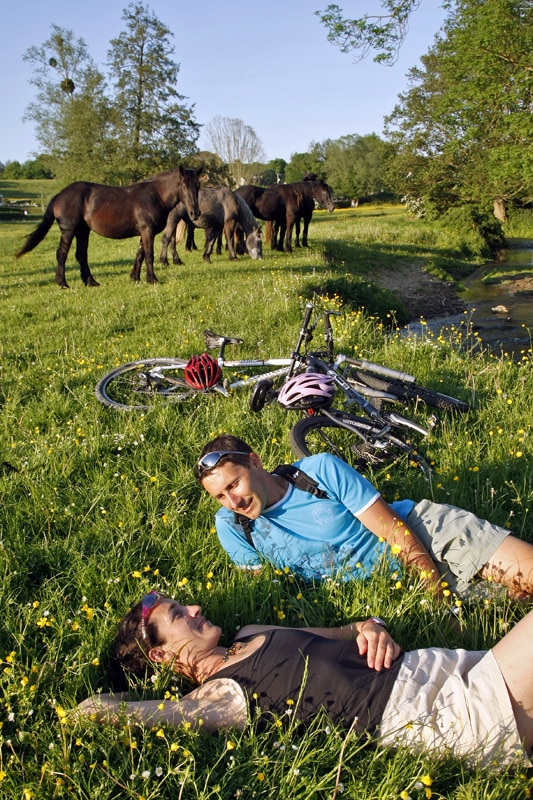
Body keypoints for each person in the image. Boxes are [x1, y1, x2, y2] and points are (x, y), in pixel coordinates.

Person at [78, 591, 533, 769]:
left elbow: (352, 629)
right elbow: (103, 711)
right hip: (444, 710)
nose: (194, 609)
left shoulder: (252, 631)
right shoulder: (221, 694)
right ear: (160, 654)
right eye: (179, 615)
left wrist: (372, 627)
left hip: (451, 665)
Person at [195, 434, 533, 599]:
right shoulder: (233, 526)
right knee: (512, 604)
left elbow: (396, 532)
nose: (233, 501)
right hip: (391, 588)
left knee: (527, 576)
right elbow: (269, 596)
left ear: (255, 462)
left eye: (234, 484)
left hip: (425, 535)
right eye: (220, 496)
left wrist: (438, 598)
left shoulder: (320, 470)